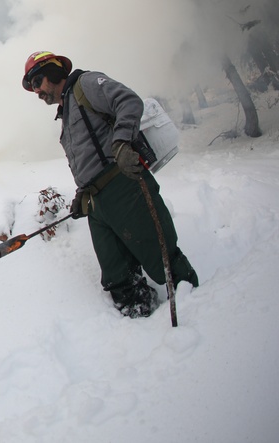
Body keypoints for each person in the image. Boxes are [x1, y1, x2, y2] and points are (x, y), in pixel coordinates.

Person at [22, 51, 198, 318]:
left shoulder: (86, 85)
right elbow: (86, 157)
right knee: (116, 272)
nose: (37, 92)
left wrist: (122, 142)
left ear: (54, 71)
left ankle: (196, 306)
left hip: (122, 185)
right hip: (97, 203)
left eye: (37, 82)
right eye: (33, 87)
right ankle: (141, 315)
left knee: (157, 250)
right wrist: (82, 194)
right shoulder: (66, 112)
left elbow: (128, 101)